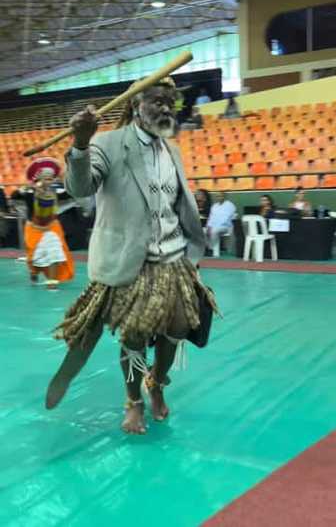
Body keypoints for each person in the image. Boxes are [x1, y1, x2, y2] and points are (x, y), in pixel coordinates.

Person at [47, 76, 218, 435]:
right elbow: (81, 188)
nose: (164, 108)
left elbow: (176, 204)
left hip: (174, 260)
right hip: (131, 264)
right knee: (135, 338)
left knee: (176, 331)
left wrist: (191, 250)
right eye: (156, 100)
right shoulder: (108, 144)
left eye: (169, 102)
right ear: (135, 106)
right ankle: (133, 401)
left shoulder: (172, 149)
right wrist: (80, 144)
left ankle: (157, 381)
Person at [22, 158, 75, 289]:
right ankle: (34, 272)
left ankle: (52, 283)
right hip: (34, 229)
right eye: (45, 178)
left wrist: (65, 179)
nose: (48, 181)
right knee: (35, 258)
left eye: (51, 179)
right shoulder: (29, 194)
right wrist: (29, 189)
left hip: (52, 229)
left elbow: (72, 192)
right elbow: (15, 196)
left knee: (55, 251)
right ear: (38, 179)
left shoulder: (57, 193)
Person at [206, 191, 236, 256]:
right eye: (218, 196)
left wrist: (215, 226)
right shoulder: (214, 206)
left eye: (221, 196)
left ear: (224, 197)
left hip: (227, 227)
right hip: (216, 227)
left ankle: (211, 249)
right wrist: (209, 227)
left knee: (214, 231)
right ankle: (213, 251)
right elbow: (211, 218)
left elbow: (228, 217)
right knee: (205, 231)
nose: (219, 197)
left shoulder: (229, 205)